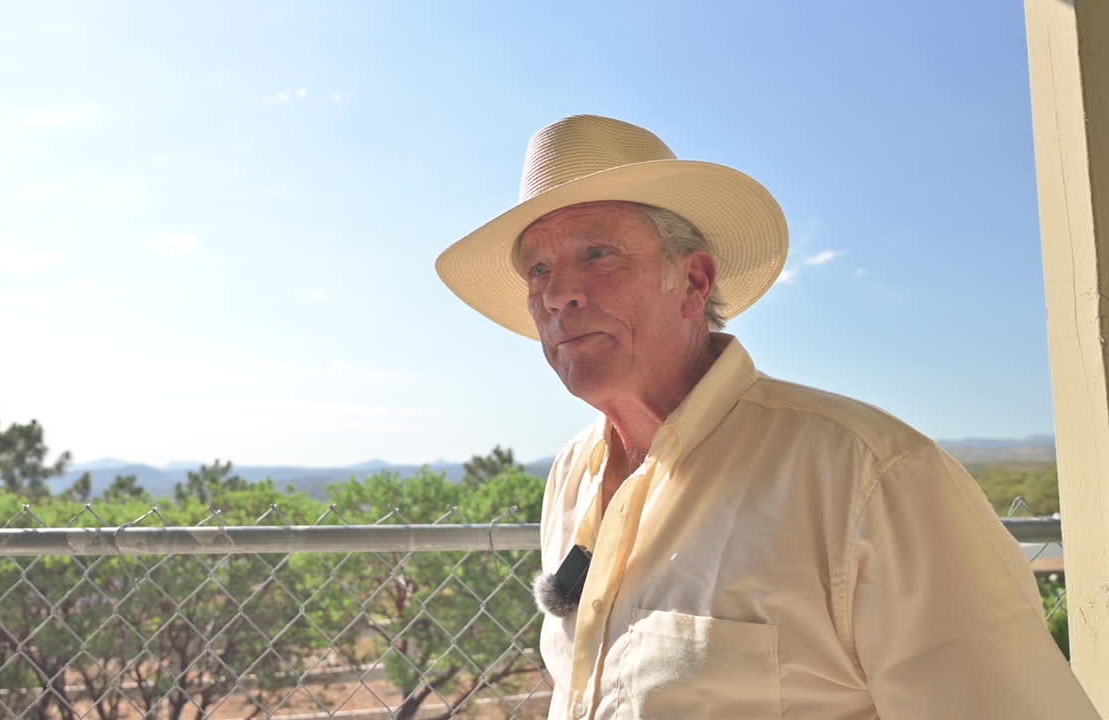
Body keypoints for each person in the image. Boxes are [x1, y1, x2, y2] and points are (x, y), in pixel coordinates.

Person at [435, 114, 1098, 719]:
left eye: (598, 254)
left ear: (694, 282)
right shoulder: (571, 477)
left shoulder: (871, 480)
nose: (558, 293)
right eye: (538, 269)